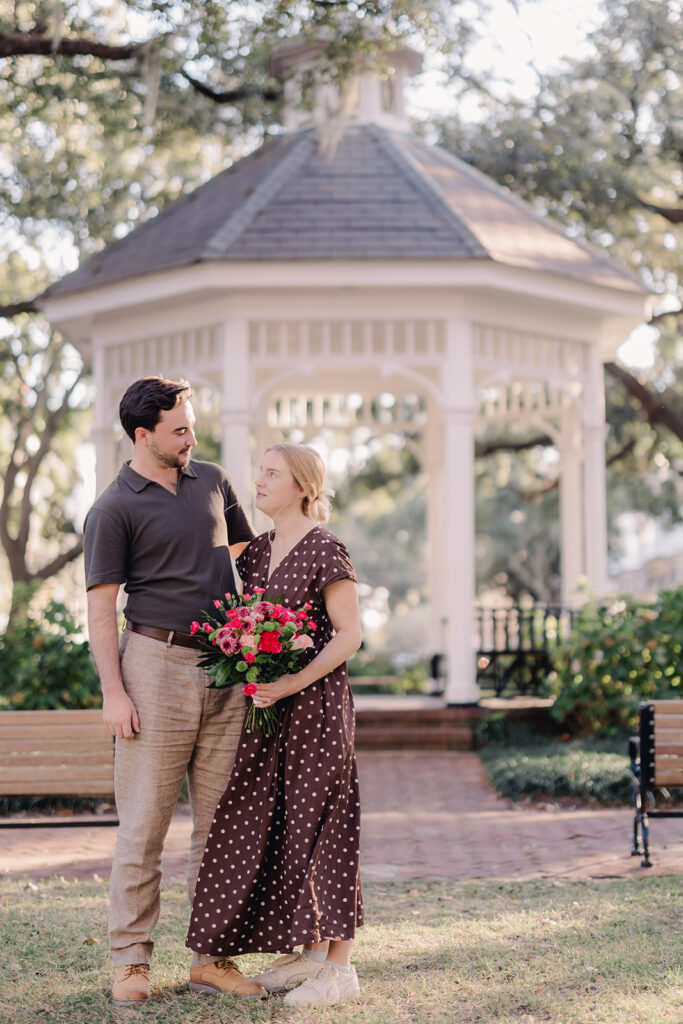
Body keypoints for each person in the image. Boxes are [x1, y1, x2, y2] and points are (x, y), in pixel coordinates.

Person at [84, 375, 265, 1005]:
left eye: (192, 425)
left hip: (226, 668)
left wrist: (265, 636)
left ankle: (212, 958)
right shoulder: (113, 508)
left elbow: (252, 557)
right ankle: (131, 963)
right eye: (179, 430)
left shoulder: (213, 480)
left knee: (221, 826)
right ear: (143, 435)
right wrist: (114, 692)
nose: (192, 437)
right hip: (152, 666)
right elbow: (102, 609)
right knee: (144, 826)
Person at [186, 442, 364, 1007]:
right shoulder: (257, 553)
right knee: (284, 825)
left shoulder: (327, 550)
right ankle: (308, 956)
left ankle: (339, 968)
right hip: (268, 712)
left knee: (326, 827)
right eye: (258, 471)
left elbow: (350, 635)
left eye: (271, 473)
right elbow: (244, 624)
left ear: (303, 486)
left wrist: (291, 681)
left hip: (315, 708)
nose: (257, 481)